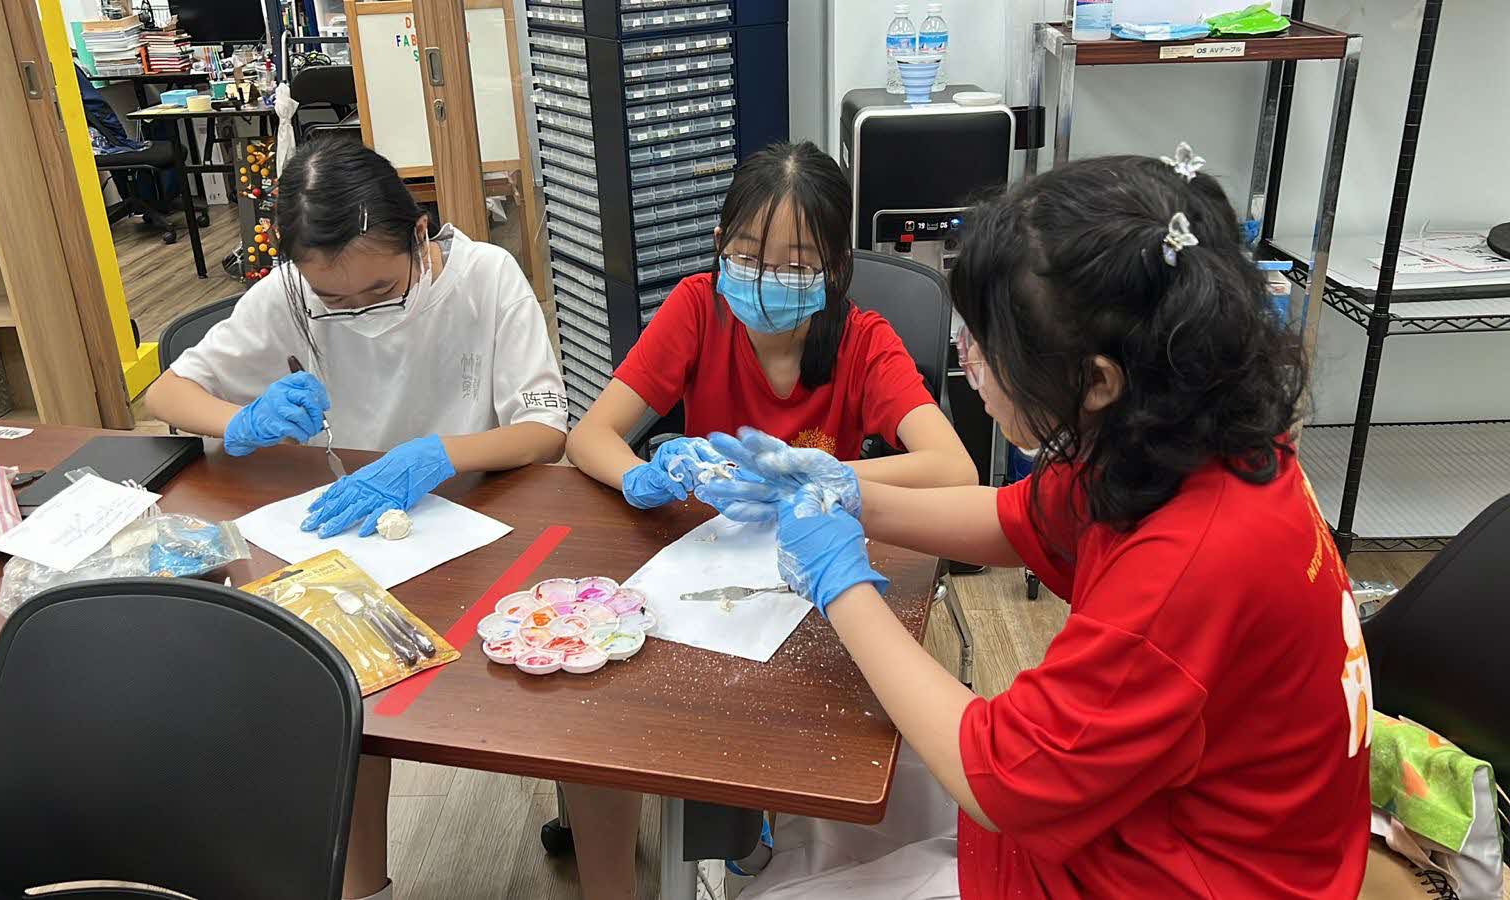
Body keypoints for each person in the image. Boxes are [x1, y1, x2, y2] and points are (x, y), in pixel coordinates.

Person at [702, 148, 1373, 899]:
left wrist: (842, 584)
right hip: (1157, 812)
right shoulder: (1188, 431)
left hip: (1176, 875)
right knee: (834, 781)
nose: (971, 364)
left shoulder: (1190, 568)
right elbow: (1018, 515)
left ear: (1095, 379)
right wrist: (852, 493)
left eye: (991, 349)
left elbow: (1002, 778)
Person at [145, 138, 567, 900]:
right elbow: (168, 394)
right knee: (347, 685)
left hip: (476, 521)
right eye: (332, 300)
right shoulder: (286, 295)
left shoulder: (484, 279)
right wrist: (240, 419)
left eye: (378, 288)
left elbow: (544, 430)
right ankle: (364, 885)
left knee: (524, 690)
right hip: (353, 537)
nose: (356, 311)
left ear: (418, 235)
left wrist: (437, 453)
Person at [562, 141, 977, 899]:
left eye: (793, 263)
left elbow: (953, 468)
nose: (763, 278)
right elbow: (589, 435)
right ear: (721, 247)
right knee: (609, 708)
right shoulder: (697, 307)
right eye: (747, 253)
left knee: (793, 731)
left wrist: (821, 476)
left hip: (812, 582)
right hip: (705, 571)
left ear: (833, 269)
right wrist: (643, 476)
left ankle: (754, 837)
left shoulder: (862, 340)